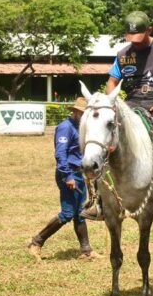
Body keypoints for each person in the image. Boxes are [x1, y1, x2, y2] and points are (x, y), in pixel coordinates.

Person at [83, 11, 153, 224]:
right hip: (131, 104)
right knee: (106, 144)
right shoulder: (123, 54)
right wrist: (112, 101)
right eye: (130, 38)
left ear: (149, 30)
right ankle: (98, 201)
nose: (134, 43)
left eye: (139, 38)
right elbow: (112, 81)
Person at [27, 97, 102, 261]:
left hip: (79, 173)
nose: (84, 116)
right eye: (81, 113)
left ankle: (86, 250)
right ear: (74, 112)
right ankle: (36, 242)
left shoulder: (81, 128)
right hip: (68, 174)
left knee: (80, 213)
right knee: (68, 213)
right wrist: (68, 176)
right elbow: (60, 154)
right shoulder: (65, 128)